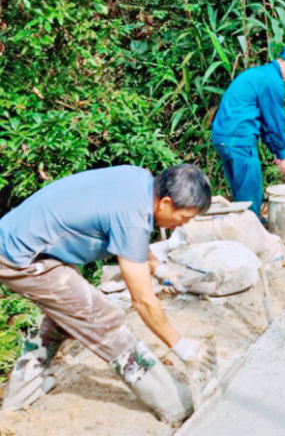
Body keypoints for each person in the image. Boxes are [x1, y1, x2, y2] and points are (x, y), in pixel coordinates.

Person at [0, 164, 216, 422]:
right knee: (104, 320)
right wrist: (181, 346)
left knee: (66, 317)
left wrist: (161, 271)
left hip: (24, 243)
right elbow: (143, 301)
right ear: (166, 203)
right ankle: (174, 404)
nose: (181, 225)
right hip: (20, 259)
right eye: (184, 218)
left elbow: (128, 238)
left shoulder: (139, 183)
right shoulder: (133, 216)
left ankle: (18, 399)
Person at [212, 46, 285, 216]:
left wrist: (276, 151)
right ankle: (252, 229)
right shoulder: (273, 81)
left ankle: (248, 224)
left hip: (223, 138)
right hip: (239, 139)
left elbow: (263, 120)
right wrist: (284, 155)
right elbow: (274, 121)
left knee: (240, 189)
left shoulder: (260, 74)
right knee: (250, 192)